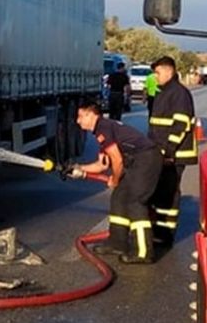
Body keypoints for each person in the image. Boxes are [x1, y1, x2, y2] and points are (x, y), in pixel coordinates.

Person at [68, 100, 162, 264]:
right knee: (119, 197)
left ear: (91, 115)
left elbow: (117, 160)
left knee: (135, 201)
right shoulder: (101, 130)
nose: (78, 121)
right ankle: (118, 243)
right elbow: (102, 165)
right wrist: (78, 168)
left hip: (146, 160)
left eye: (80, 116)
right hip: (136, 161)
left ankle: (144, 253)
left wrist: (115, 179)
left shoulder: (103, 128)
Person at [147, 55, 197, 247]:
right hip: (162, 152)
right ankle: (158, 230)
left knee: (169, 192)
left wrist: (168, 150)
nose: (155, 76)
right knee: (161, 191)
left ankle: (165, 233)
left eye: (158, 72)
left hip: (174, 155)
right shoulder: (164, 92)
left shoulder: (178, 93)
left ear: (169, 71)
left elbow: (181, 124)